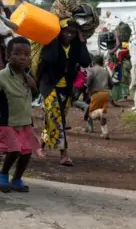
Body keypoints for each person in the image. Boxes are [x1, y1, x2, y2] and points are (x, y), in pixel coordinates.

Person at [38, 20, 91, 166]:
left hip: (66, 89)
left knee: (55, 119)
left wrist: (82, 42)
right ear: (59, 31)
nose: (69, 35)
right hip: (49, 87)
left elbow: (86, 62)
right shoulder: (51, 44)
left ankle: (39, 146)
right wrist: (54, 38)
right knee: (57, 119)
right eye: (66, 31)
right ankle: (64, 154)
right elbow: (51, 59)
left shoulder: (75, 47)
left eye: (72, 33)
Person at [0, 37, 39, 193]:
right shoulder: (1, 77)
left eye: (26, 54)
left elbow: (35, 97)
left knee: (27, 152)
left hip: (25, 121)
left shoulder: (28, 75)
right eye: (17, 54)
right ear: (8, 55)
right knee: (15, 150)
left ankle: (17, 178)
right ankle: (3, 174)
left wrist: (34, 86)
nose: (23, 57)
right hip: (8, 122)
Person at [86, 55, 113, 139]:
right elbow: (111, 84)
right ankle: (105, 133)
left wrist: (87, 87)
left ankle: (100, 111)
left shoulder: (91, 70)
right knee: (103, 115)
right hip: (105, 94)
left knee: (91, 114)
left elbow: (89, 80)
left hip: (96, 93)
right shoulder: (105, 71)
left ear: (93, 62)